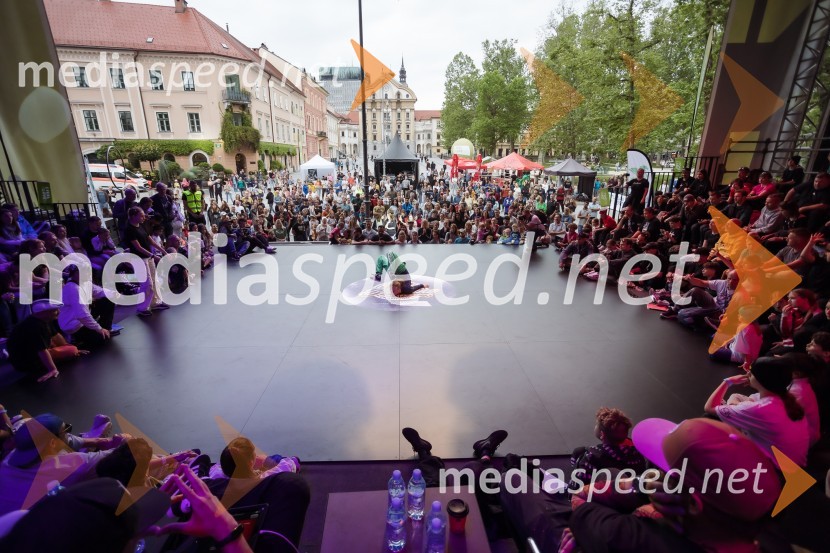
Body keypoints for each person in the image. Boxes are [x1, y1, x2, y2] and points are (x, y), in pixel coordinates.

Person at [704, 356, 810, 467]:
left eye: (752, 372)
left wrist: (727, 382)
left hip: (776, 471)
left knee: (709, 417)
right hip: (794, 467)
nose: (748, 373)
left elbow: (709, 407)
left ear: (762, 379)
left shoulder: (760, 409)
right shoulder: (787, 399)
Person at [6, 299, 83, 383]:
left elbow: (56, 336)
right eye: (55, 310)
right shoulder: (35, 326)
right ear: (43, 312)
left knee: (71, 348)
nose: (58, 312)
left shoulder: (44, 320)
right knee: (72, 351)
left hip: (33, 352)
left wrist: (68, 346)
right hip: (27, 361)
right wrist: (52, 369)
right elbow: (41, 350)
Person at [123, 206, 169, 317]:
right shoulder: (129, 229)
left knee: (154, 280)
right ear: (133, 216)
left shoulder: (141, 226)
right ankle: (142, 308)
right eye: (142, 215)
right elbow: (137, 247)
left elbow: (151, 241)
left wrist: (163, 251)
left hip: (148, 257)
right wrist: (153, 255)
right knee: (147, 284)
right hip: (139, 258)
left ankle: (154, 303)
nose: (144, 217)